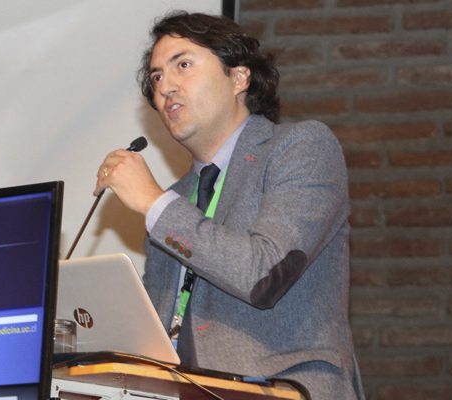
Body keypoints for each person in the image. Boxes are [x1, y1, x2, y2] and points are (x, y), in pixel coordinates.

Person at [94, 11, 364, 399]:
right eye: (156, 78)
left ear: (238, 77)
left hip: (282, 389)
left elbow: (264, 274)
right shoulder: (175, 197)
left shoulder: (300, 148)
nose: (166, 86)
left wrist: (154, 203)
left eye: (182, 65)